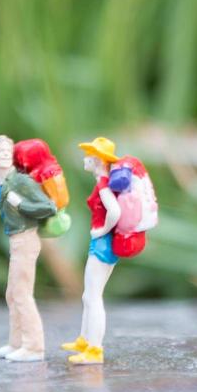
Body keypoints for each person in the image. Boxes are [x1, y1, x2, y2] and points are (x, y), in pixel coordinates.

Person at [62, 137, 148, 365]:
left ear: (99, 160)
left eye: (89, 155)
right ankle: (84, 339)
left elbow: (114, 211)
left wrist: (101, 231)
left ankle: (95, 349)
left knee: (93, 297)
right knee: (88, 295)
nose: (85, 159)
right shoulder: (105, 181)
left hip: (102, 245)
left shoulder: (103, 185)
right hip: (105, 244)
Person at [0, 134, 59, 362]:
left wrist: (21, 204)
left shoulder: (21, 181)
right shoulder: (3, 183)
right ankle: (16, 343)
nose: (4, 156)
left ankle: (34, 347)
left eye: (8, 152)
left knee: (22, 293)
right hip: (14, 240)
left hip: (25, 239)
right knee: (12, 294)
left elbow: (49, 207)